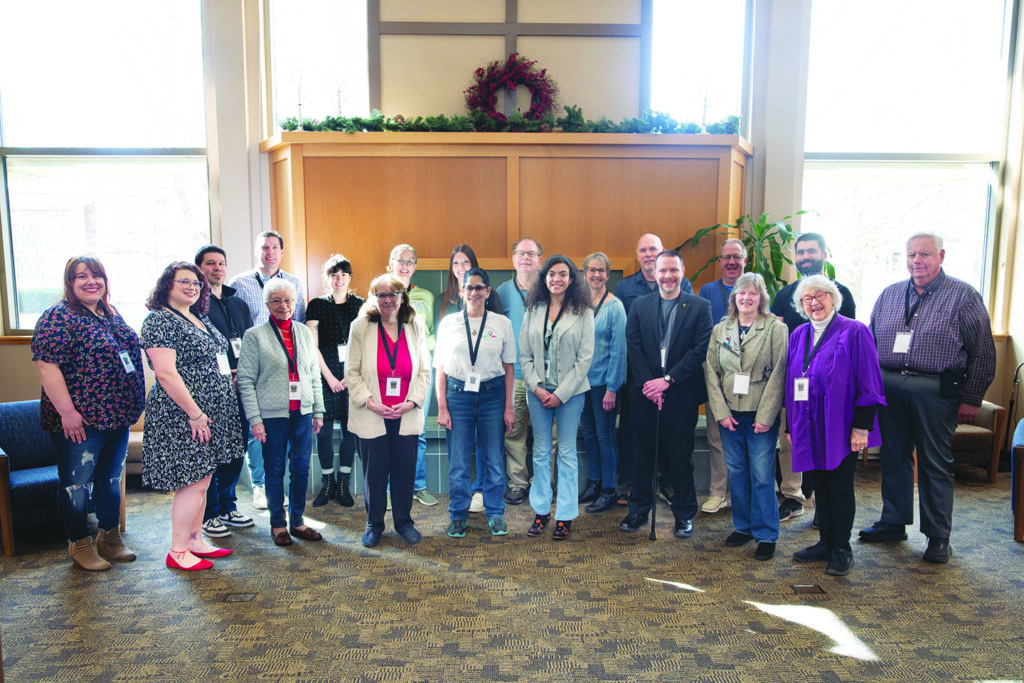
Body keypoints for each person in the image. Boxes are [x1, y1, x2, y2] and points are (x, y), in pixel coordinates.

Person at [860, 232, 996, 564]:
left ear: (941, 256)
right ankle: (893, 522)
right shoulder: (890, 294)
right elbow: (869, 342)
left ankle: (938, 537)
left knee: (935, 463)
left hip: (935, 391)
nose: (917, 261)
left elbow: (983, 352)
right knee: (893, 456)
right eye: (911, 255)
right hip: (889, 389)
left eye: (925, 254)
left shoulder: (964, 296)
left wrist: (972, 399)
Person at [31, 256, 146, 571]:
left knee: (109, 480)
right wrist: (68, 413)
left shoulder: (109, 312)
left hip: (116, 416)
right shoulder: (58, 316)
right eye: (81, 276)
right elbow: (46, 365)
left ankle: (109, 537)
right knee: (76, 485)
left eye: (97, 275)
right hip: (81, 421)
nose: (91, 281)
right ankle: (79, 543)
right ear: (70, 282)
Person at [141, 262, 244, 571]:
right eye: (183, 281)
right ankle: (178, 550)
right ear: (167, 285)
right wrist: (195, 413)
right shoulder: (160, 320)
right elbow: (166, 373)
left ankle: (195, 540)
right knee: (192, 482)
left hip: (211, 412)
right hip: (183, 414)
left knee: (203, 480)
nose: (192, 287)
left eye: (197, 283)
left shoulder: (198, 317)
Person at [787, 275, 885, 575]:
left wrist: (862, 427)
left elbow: (869, 381)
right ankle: (826, 541)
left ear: (833, 298)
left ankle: (842, 547)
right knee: (820, 484)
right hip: (808, 422)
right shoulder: (799, 334)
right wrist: (791, 426)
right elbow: (791, 381)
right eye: (807, 298)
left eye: (820, 295)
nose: (814, 302)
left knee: (840, 485)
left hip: (843, 425)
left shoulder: (855, 331)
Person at [620, 249, 712, 540]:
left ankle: (684, 515)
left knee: (680, 458)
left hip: (680, 394)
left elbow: (699, 350)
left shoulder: (700, 306)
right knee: (641, 456)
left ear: (683, 271)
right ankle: (638, 510)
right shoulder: (639, 305)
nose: (668, 276)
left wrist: (668, 381)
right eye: (663, 270)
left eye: (674, 270)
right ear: (654, 273)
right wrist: (651, 384)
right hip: (644, 394)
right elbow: (633, 346)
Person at [770, 232, 856, 523]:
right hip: (795, 386)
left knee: (828, 443)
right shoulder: (785, 295)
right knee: (790, 443)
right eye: (801, 252)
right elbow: (776, 339)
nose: (805, 256)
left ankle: (825, 506)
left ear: (824, 254)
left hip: (831, 390)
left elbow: (849, 342)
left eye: (811, 251)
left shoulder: (840, 292)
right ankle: (792, 497)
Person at [704, 273, 788, 561]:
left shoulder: (775, 328)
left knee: (762, 475)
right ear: (734, 297)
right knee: (737, 472)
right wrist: (721, 412)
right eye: (741, 293)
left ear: (761, 297)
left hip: (760, 414)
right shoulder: (721, 329)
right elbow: (711, 372)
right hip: (729, 415)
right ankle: (744, 526)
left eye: (752, 293)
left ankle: (766, 533)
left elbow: (780, 373)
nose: (746, 298)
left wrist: (766, 415)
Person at [346, 274, 432, 548]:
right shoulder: (361, 326)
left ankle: (404, 522)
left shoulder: (415, 325)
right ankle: (374, 524)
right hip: (373, 413)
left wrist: (412, 402)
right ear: (373, 298)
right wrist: (370, 402)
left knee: (404, 470)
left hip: (406, 412)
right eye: (381, 295)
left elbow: (425, 371)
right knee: (375, 473)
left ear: (402, 297)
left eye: (393, 294)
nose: (387, 300)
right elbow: (352, 372)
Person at [237, 280, 324, 547]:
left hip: (303, 413)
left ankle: (297, 521)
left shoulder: (304, 332)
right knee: (274, 470)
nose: (283, 306)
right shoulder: (254, 335)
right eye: (276, 300)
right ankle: (277, 524)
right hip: (272, 416)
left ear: (295, 303)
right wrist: (255, 419)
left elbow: (313, 373)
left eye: (288, 300)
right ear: (267, 305)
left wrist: (318, 410)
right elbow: (245, 381)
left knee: (301, 469)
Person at [228, 230, 307, 510]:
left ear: (282, 252)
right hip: (255, 363)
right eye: (264, 247)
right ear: (257, 251)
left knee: (283, 429)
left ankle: (278, 485)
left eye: (274, 247)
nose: (269, 252)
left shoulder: (294, 283)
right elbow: (234, 326)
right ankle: (259, 486)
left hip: (286, 369)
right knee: (256, 429)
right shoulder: (238, 284)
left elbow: (299, 323)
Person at [435, 267, 516, 537]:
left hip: (493, 395)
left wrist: (508, 407)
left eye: (479, 288)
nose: (474, 292)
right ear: (462, 292)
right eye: (469, 288)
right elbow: (440, 368)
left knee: (493, 458)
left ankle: (496, 513)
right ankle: (458, 515)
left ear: (488, 292)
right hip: (458, 395)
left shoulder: (501, 323)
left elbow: (508, 367)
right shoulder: (449, 324)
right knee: (458, 461)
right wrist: (442, 407)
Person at [613, 234, 693, 507]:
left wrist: (666, 379)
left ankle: (666, 482)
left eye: (653, 249)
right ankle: (629, 482)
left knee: (670, 434)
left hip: (672, 376)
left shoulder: (683, 284)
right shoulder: (624, 287)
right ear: (638, 256)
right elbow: (628, 335)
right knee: (632, 431)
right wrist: (648, 380)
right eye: (643, 250)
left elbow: (686, 331)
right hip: (638, 375)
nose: (648, 254)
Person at [520, 255, 594, 540]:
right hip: (537, 392)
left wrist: (561, 394)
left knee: (567, 453)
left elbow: (584, 360)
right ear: (544, 278)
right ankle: (540, 512)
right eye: (551, 274)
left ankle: (565, 515)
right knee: (540, 453)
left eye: (562, 274)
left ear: (572, 279)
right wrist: (537, 387)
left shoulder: (583, 313)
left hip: (571, 394)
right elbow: (524, 356)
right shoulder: (533, 309)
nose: (556, 279)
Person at [194, 245, 256, 539]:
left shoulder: (238, 303)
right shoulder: (194, 306)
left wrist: (245, 372)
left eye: (221, 263)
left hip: (241, 387)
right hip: (211, 391)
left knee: (236, 448)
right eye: (210, 263)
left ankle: (229, 506)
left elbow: (249, 343)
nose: (217, 268)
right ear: (199, 269)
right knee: (213, 452)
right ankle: (210, 513)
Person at [305, 254, 364, 508]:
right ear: (327, 277)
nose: (339, 279)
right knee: (324, 432)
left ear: (350, 277)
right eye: (334, 274)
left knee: (351, 431)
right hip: (324, 377)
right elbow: (312, 345)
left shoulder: (362, 305)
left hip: (353, 377)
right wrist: (329, 377)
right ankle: (327, 482)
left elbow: (365, 344)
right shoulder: (317, 304)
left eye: (343, 274)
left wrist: (349, 377)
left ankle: (343, 483)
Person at [696, 238, 747, 515]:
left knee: (746, 438)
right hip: (716, 375)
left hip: (749, 379)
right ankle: (718, 492)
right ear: (719, 262)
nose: (731, 262)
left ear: (745, 261)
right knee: (717, 438)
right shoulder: (708, 291)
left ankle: (743, 494)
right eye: (726, 257)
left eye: (736, 257)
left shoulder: (754, 288)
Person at [387, 244, 439, 507]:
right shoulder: (379, 293)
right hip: (389, 371)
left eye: (410, 261)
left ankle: (418, 486)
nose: (404, 265)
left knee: (417, 429)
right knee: (388, 430)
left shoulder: (426, 297)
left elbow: (433, 334)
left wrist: (416, 344)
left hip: (420, 369)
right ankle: (388, 489)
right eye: (400, 260)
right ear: (390, 263)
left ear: (416, 266)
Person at [495, 237, 543, 505]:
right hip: (513, 376)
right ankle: (518, 484)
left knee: (546, 435)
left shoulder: (550, 288)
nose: (525, 257)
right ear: (513, 259)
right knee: (513, 433)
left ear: (539, 260)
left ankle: (543, 483)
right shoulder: (501, 293)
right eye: (521, 253)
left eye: (531, 253)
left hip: (545, 378)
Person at [578, 252, 627, 513]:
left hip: (603, 386)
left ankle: (609, 489)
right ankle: (594, 483)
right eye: (591, 270)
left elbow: (619, 351)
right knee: (588, 434)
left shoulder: (615, 307)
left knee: (605, 436)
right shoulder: (580, 304)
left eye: (601, 270)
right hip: (581, 384)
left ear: (608, 275)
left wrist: (612, 388)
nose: (596, 275)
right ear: (585, 274)